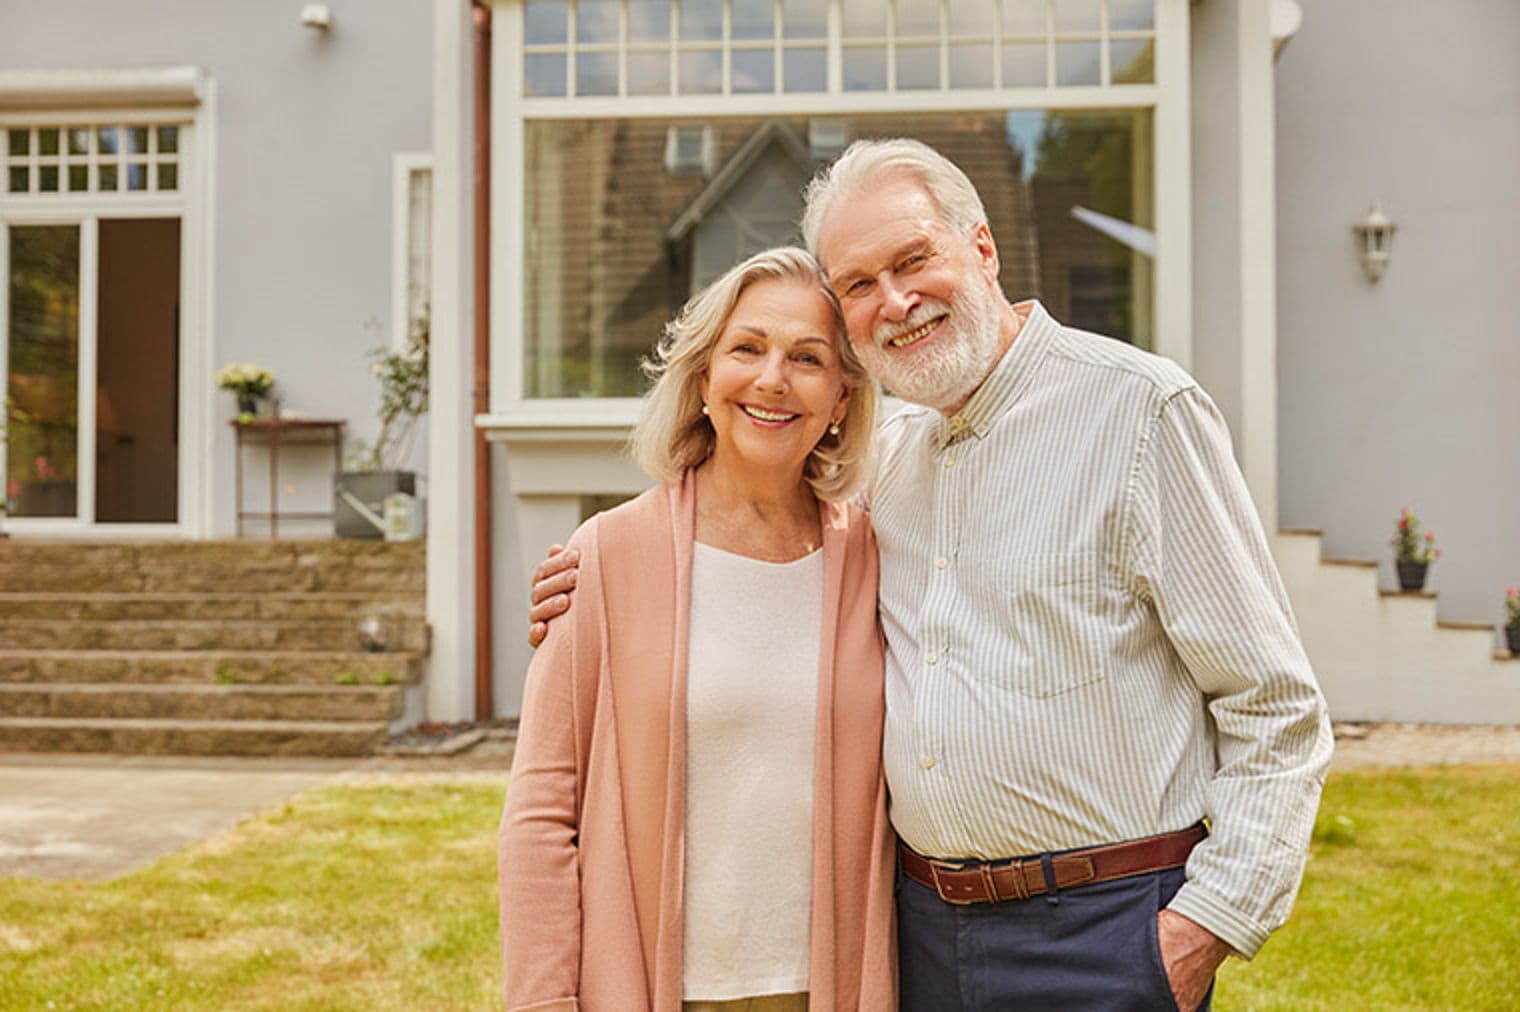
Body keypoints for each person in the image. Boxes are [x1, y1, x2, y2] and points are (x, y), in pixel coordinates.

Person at [531, 139, 1332, 1012]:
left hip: (1105, 931)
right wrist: (601, 573)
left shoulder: (1140, 413)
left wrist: (1201, 929)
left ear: (981, 247)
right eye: (861, 285)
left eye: (913, 260)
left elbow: (1275, 707)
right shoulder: (888, 473)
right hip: (919, 938)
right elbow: (750, 501)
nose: (896, 301)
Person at [499, 246, 896, 1012]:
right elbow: (542, 812)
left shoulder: (875, 559)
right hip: (653, 988)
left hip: (832, 986)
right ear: (704, 377)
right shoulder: (607, 555)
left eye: (808, 358)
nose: (773, 378)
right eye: (747, 348)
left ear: (842, 397)